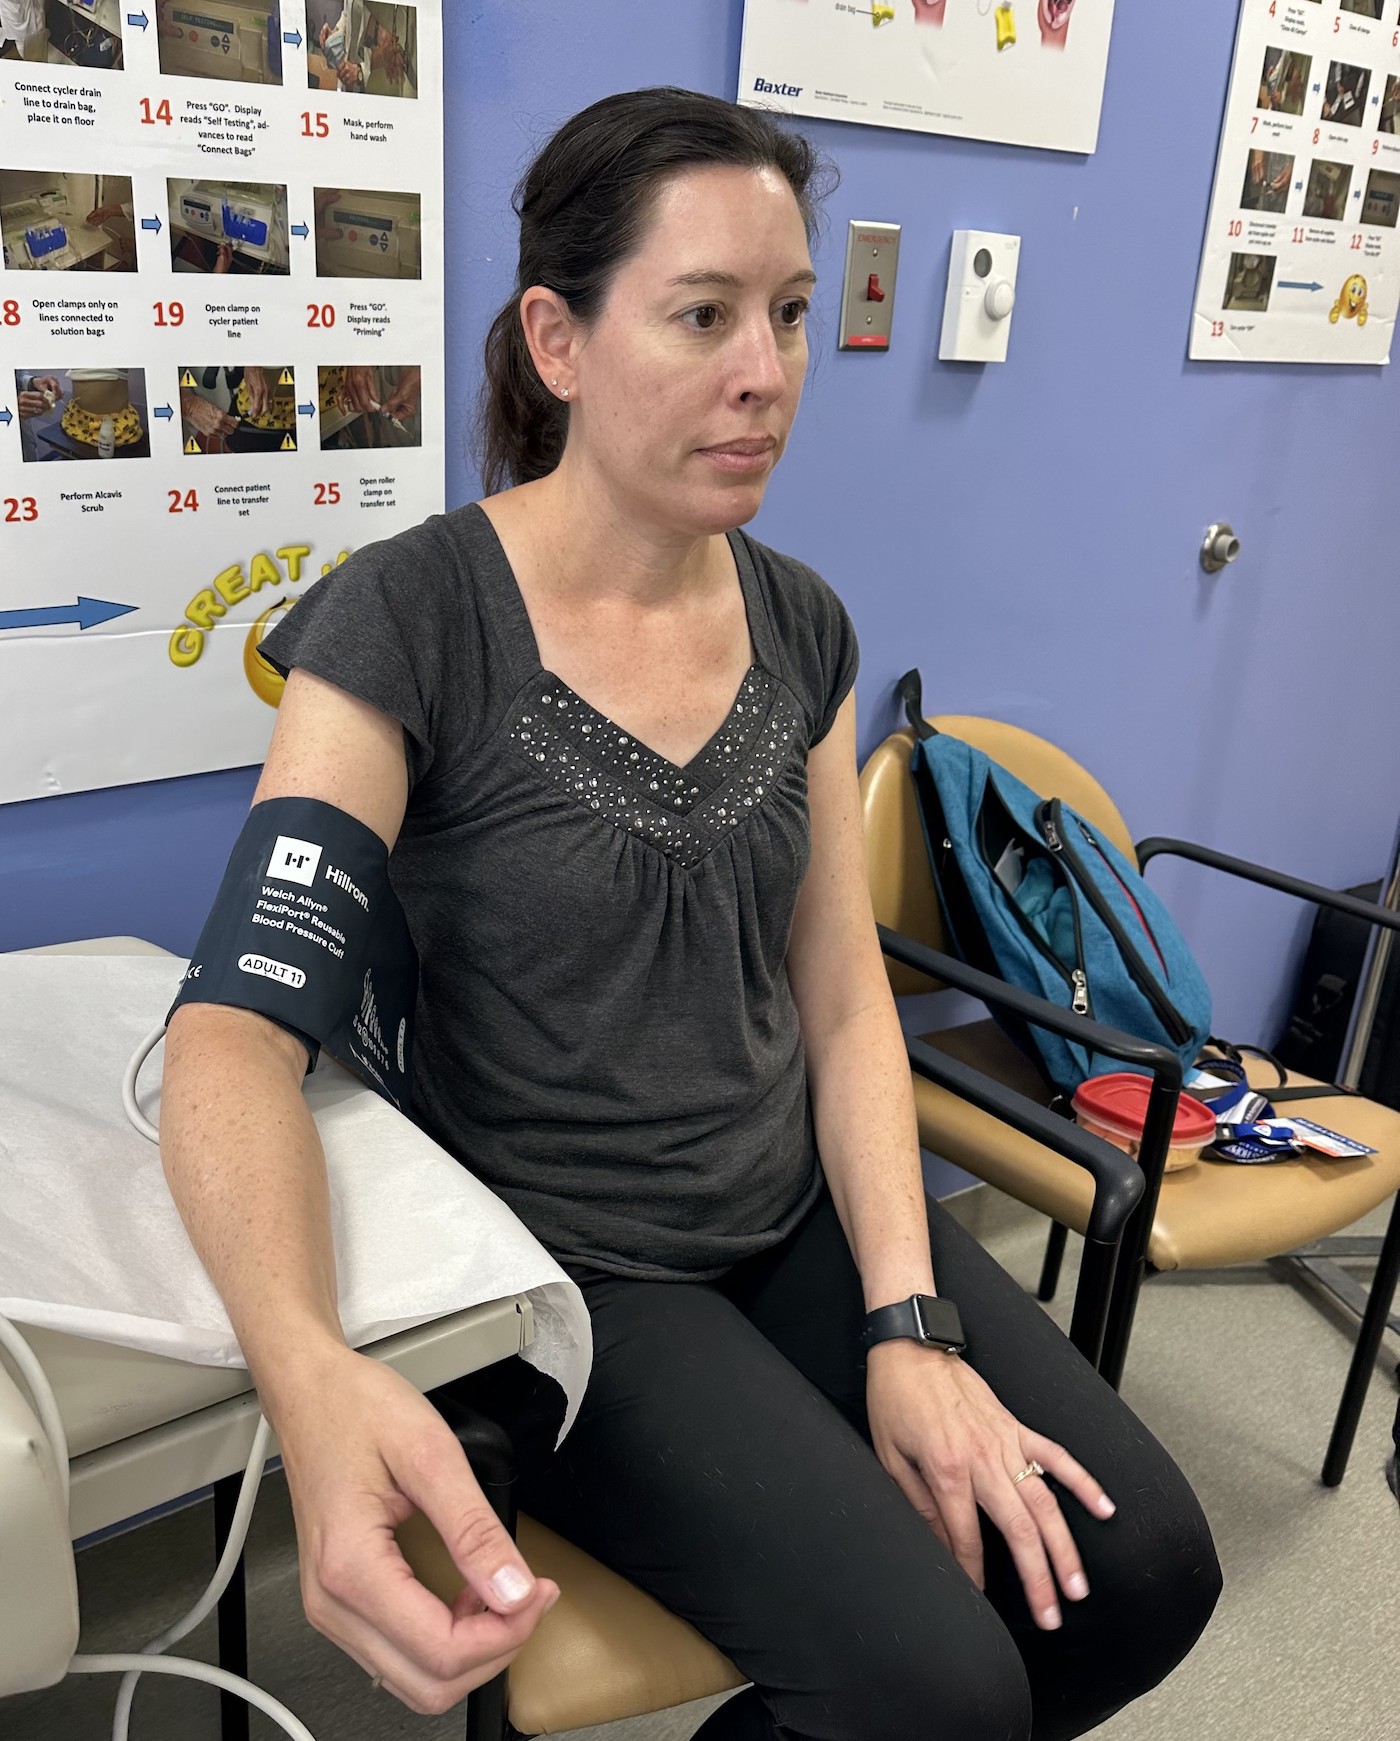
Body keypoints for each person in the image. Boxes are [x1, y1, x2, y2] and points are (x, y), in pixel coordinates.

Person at [161, 87, 1221, 1740]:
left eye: (792, 316)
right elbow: (232, 1033)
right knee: (934, 1686)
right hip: (569, 1277)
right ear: (559, 340)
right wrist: (305, 1367)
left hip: (787, 1212)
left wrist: (907, 1319)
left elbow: (845, 996)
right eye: (706, 315)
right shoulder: (408, 621)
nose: (768, 372)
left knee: (1143, 1570)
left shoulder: (802, 626)